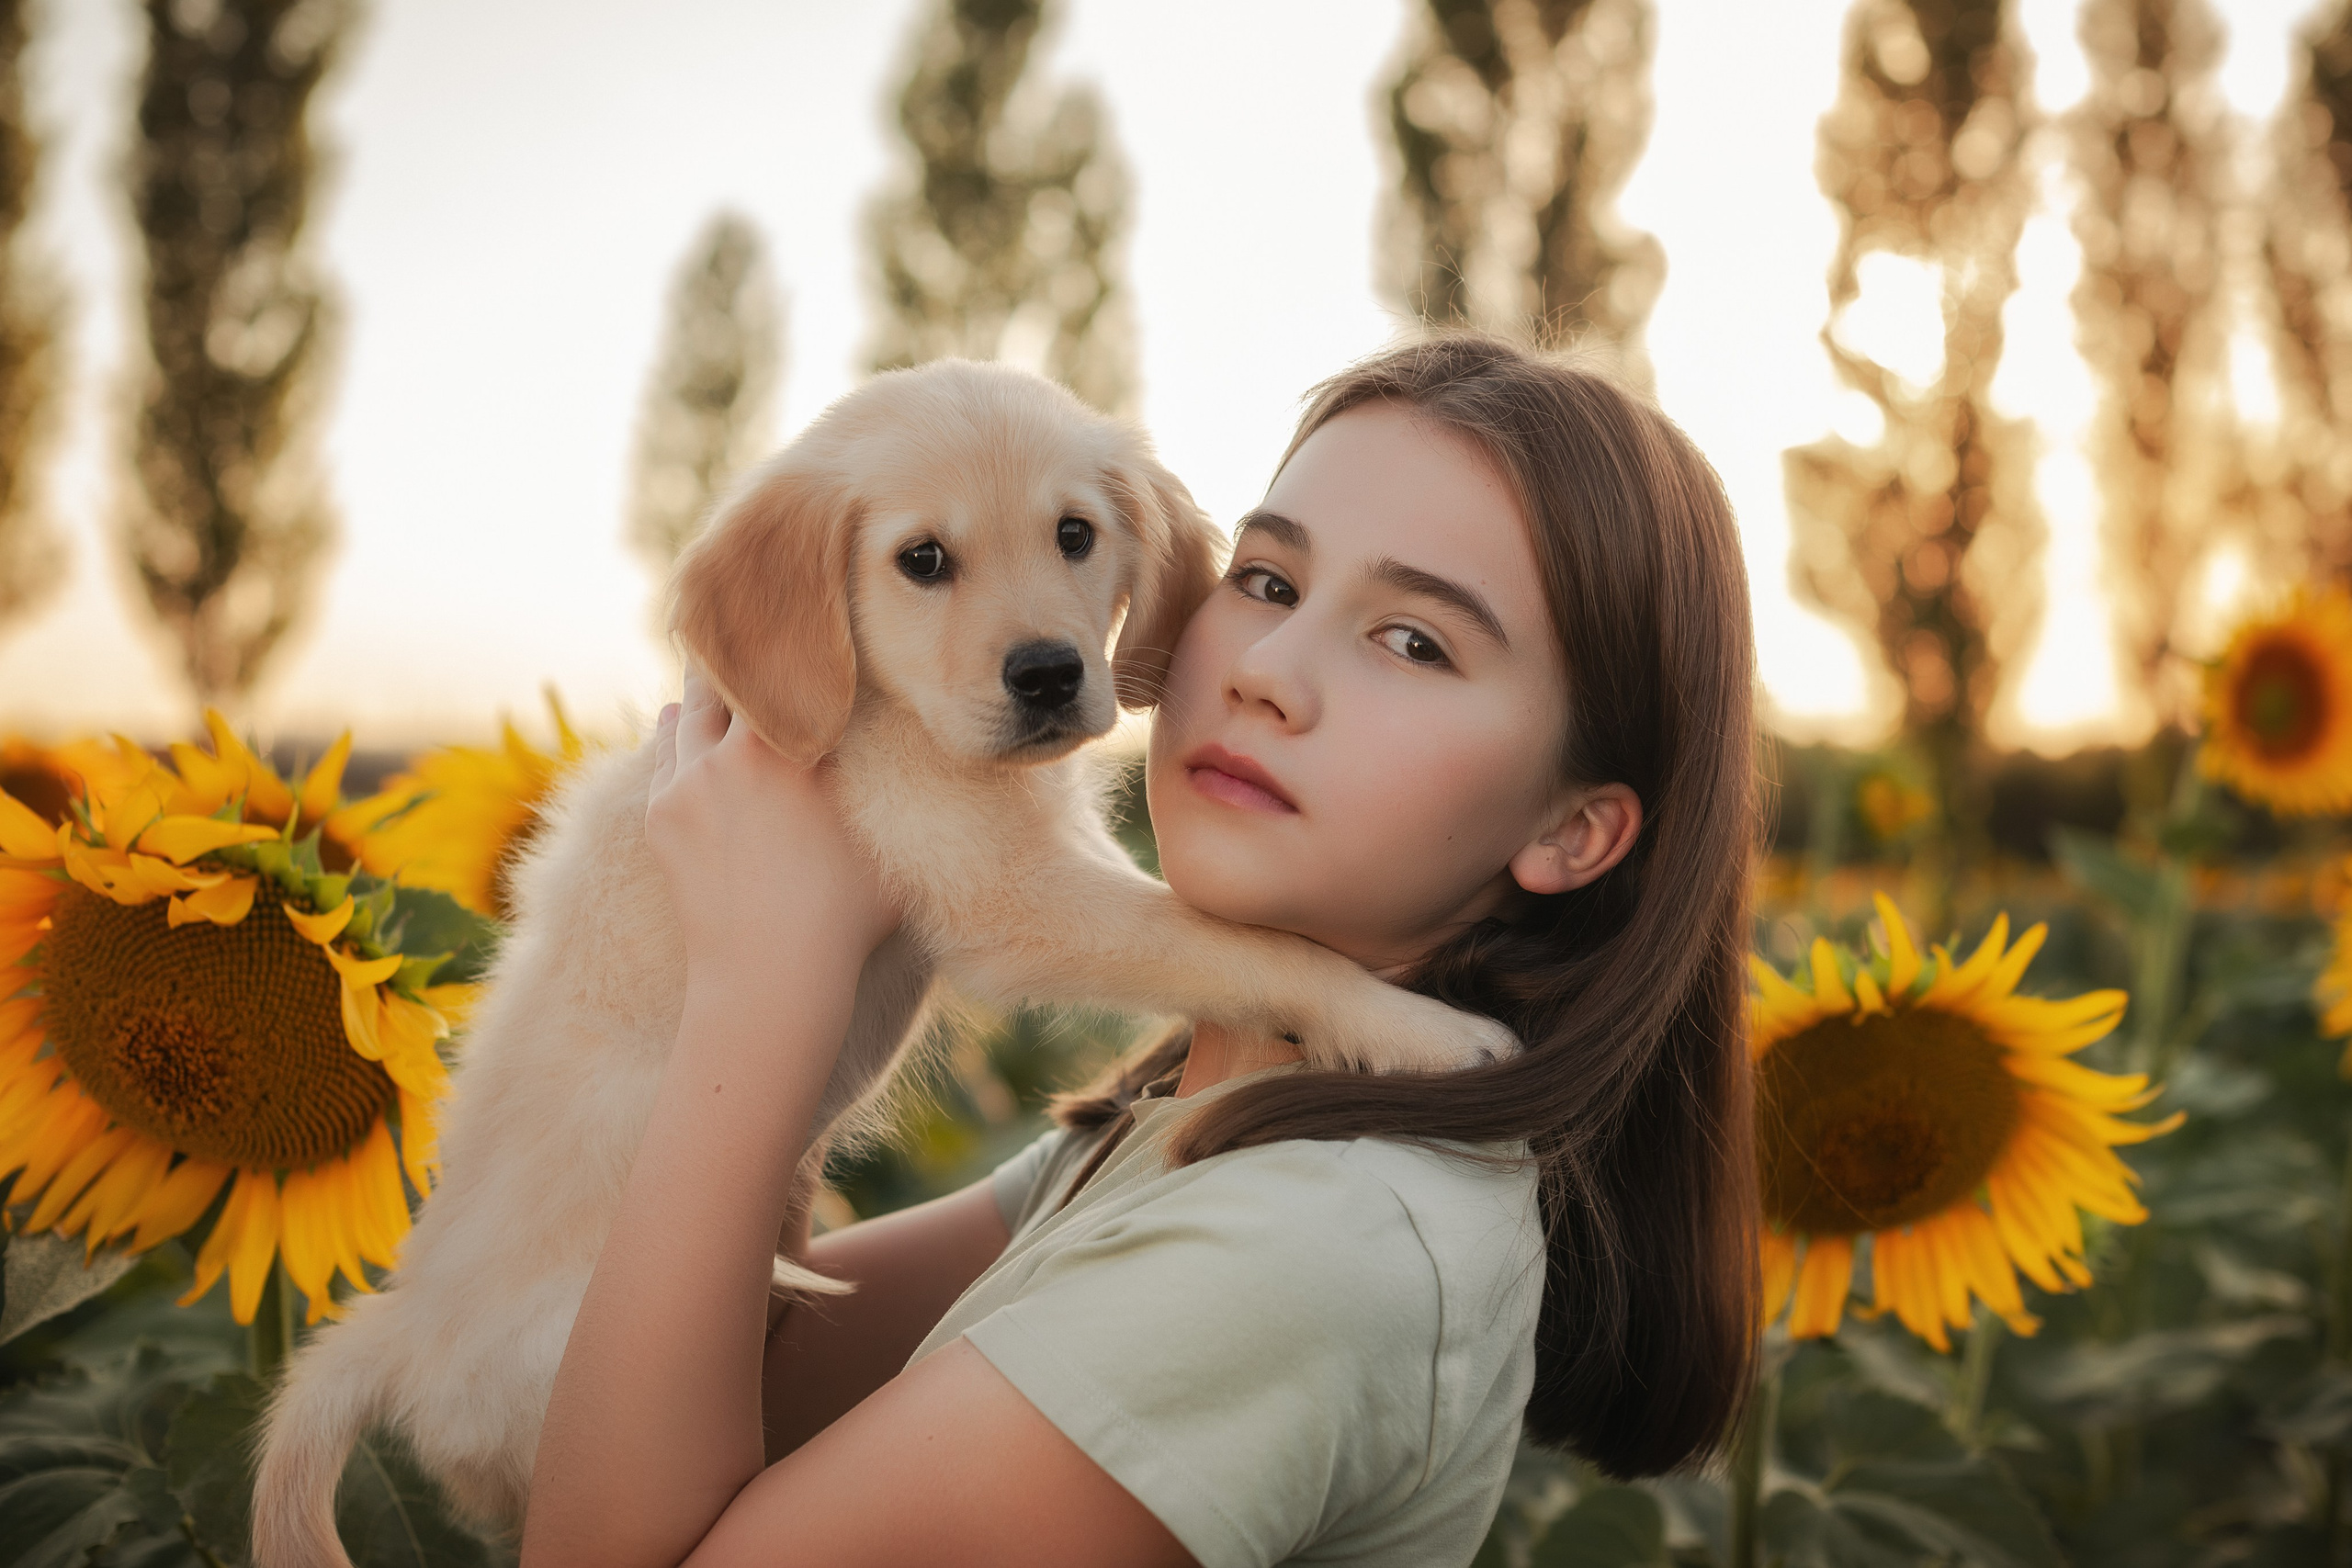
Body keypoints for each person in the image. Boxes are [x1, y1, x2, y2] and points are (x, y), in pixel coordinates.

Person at [521, 333, 1761, 1568]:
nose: (1269, 670)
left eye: (1415, 642)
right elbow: (728, 1390)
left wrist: (759, 994)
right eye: (1269, 583)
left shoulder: (1306, 1257)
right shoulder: (1194, 1133)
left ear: (1573, 828)